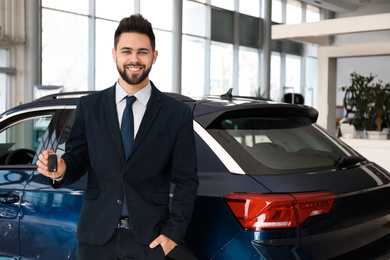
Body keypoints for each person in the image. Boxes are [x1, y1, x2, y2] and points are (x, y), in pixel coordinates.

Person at [37, 14, 198, 260]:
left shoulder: (176, 113)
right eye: (127, 51)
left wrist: (173, 235)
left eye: (143, 52)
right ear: (114, 55)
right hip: (96, 240)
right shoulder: (89, 107)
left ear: (154, 56)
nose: (134, 59)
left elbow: (187, 180)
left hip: (149, 241)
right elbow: (77, 159)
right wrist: (60, 170)